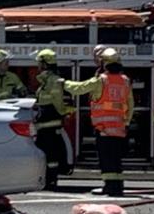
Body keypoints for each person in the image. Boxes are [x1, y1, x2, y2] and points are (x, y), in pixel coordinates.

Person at [65, 47, 133, 196]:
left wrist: (63, 83)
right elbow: (130, 105)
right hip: (119, 128)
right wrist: (126, 123)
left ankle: (110, 187)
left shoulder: (101, 81)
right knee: (116, 159)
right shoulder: (125, 81)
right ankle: (118, 186)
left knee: (106, 159)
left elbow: (80, 88)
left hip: (104, 129)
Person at [32, 49, 73, 189]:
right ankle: (47, 179)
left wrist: (63, 113)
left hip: (51, 126)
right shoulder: (45, 80)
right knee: (46, 153)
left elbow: (58, 102)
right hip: (44, 126)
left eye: (39, 63)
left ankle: (51, 180)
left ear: (45, 64)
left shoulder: (54, 80)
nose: (38, 65)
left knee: (51, 155)